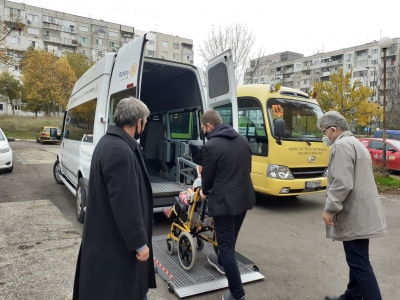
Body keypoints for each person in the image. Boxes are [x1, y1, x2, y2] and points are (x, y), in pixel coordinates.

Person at [73, 97, 156, 300]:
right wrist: (140, 244)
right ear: (138, 122)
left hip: (107, 243)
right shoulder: (120, 150)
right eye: (144, 122)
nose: (144, 126)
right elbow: (125, 203)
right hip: (116, 249)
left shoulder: (108, 142)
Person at [318, 111, 386, 300]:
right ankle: (352, 296)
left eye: (324, 132)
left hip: (355, 213)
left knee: (358, 262)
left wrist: (329, 209)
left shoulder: (341, 146)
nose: (324, 136)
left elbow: (342, 183)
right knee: (357, 259)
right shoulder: (356, 144)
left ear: (333, 129)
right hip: (363, 212)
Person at [200, 110, 256, 300]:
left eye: (203, 128)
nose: (203, 131)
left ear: (209, 126)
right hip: (244, 198)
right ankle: (222, 263)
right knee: (231, 240)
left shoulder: (211, 146)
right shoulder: (242, 140)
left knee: (227, 246)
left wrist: (204, 191)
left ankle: (237, 294)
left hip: (224, 203)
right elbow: (248, 168)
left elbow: (206, 178)